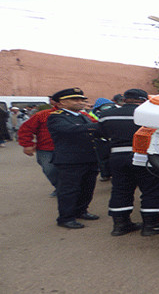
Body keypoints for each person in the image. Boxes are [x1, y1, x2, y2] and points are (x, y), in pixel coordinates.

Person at [98, 89, 159, 236]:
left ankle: (120, 225)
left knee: (120, 189)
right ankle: (151, 225)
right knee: (152, 190)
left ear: (124, 100)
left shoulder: (106, 116)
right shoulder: (153, 116)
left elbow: (102, 136)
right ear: (145, 101)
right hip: (146, 157)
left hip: (117, 157)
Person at [47, 88, 100, 229]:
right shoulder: (56, 117)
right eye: (75, 99)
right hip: (70, 160)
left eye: (82, 99)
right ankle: (66, 218)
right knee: (69, 190)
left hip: (88, 158)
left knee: (87, 188)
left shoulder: (82, 116)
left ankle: (81, 211)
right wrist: (96, 126)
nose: (80, 102)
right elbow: (69, 130)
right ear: (62, 103)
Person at [17, 97, 60, 197]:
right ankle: (59, 187)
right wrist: (27, 145)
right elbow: (26, 129)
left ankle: (67, 189)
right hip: (46, 149)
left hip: (69, 149)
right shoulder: (43, 115)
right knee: (49, 170)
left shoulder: (81, 115)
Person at [90, 98, 118, 181]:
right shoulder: (93, 114)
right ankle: (105, 174)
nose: (108, 107)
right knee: (103, 158)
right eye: (105, 106)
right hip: (100, 139)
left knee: (112, 158)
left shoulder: (115, 112)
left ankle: (114, 174)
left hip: (112, 138)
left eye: (109, 105)